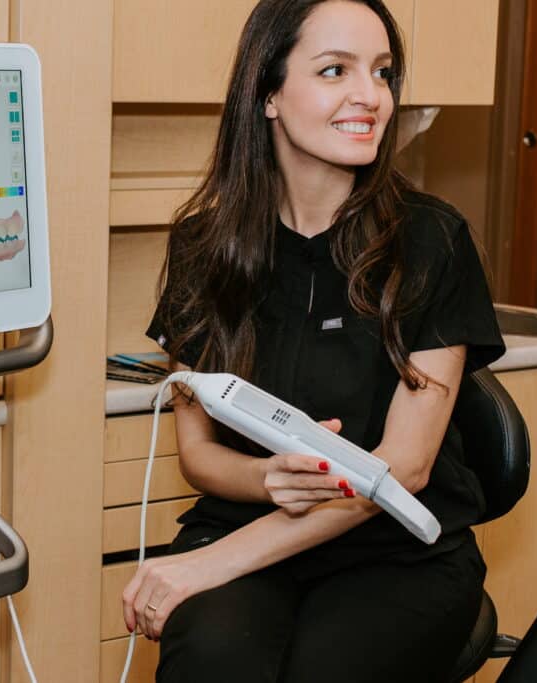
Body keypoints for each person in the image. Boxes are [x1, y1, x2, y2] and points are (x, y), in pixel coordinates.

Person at [121, 1, 507, 681]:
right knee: (210, 658)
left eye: (383, 73)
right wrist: (264, 478)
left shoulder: (431, 241)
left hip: (397, 553)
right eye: (336, 70)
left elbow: (404, 468)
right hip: (246, 523)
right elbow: (197, 451)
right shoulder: (204, 248)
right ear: (268, 93)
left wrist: (203, 564)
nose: (372, 97)